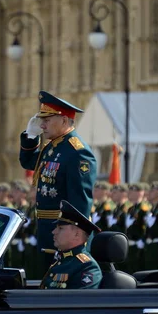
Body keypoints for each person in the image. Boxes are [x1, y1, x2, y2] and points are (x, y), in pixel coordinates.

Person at [19, 91, 97, 274]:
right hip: (50, 232)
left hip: (66, 237)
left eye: (47, 119)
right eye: (41, 120)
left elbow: (80, 204)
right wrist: (30, 137)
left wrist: (73, 241)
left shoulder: (77, 152)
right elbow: (29, 163)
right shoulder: (53, 147)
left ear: (64, 120)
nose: (42, 125)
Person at [40, 200, 102, 289]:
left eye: (60, 228)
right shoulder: (62, 260)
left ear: (76, 234)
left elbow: (79, 301)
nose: (54, 232)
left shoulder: (87, 267)